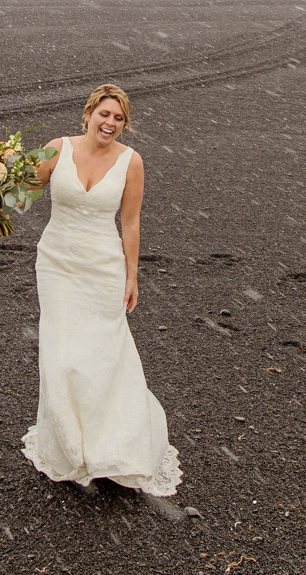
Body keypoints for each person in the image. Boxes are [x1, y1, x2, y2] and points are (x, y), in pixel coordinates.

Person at [22, 84, 181, 496]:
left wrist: (132, 275)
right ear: (88, 113)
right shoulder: (57, 148)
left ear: (124, 124)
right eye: (104, 114)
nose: (110, 123)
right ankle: (70, 447)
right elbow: (26, 191)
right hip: (56, 264)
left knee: (103, 353)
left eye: (118, 118)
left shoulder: (132, 162)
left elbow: (129, 223)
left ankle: (112, 444)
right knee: (60, 352)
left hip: (102, 269)